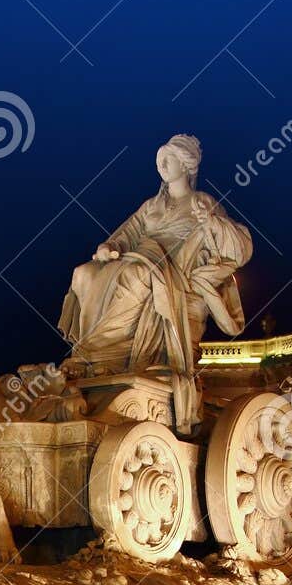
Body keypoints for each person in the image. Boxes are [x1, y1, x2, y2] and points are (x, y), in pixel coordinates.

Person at [59, 133, 252, 432]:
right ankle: (88, 356)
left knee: (135, 277)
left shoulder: (203, 202)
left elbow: (238, 249)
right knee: (83, 273)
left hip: (173, 272)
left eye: (169, 158)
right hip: (141, 258)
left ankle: (102, 355)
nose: (161, 164)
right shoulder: (151, 206)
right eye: (160, 159)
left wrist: (212, 223)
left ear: (185, 165)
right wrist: (108, 247)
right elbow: (125, 234)